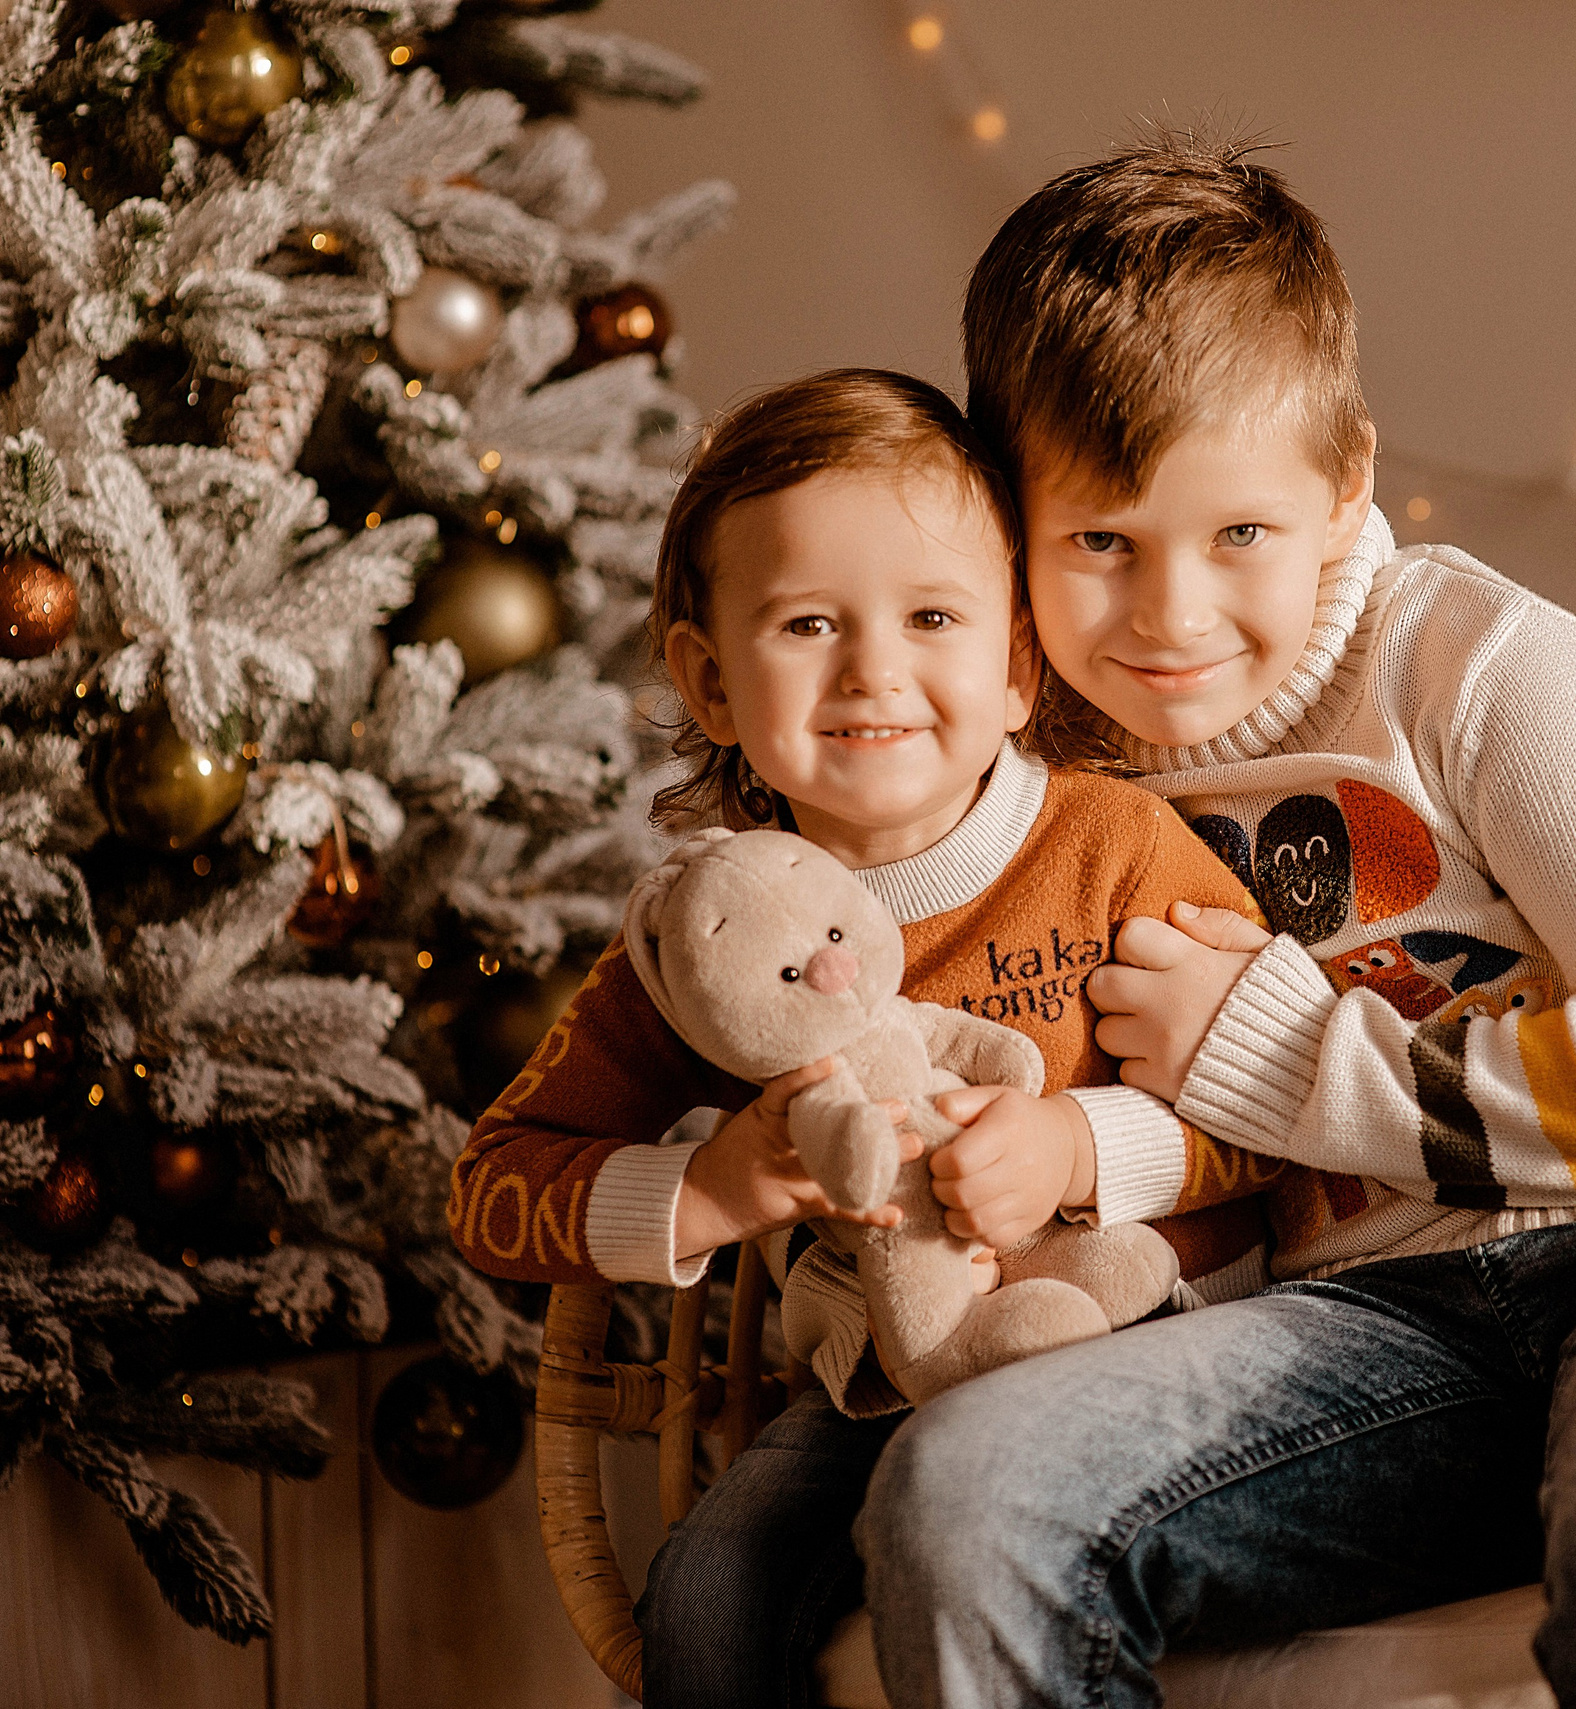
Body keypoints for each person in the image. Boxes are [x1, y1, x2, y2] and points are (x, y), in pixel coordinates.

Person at [851, 135, 1576, 1709]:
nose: (1170, 617)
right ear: (1010, 518)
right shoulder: (1036, 764)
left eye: (1240, 536)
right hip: (1386, 1339)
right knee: (965, 1492)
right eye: (1099, 544)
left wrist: (1293, 1061)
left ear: (1346, 484)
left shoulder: (1471, 666)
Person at [443, 368, 1294, 1709]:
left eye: (934, 615)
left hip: (1154, 1349)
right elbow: (491, 1189)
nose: (873, 670)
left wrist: (1081, 1144)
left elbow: (1278, 1118)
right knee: (711, 1594)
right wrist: (712, 1187)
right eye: (807, 623)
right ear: (711, 680)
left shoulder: (1113, 848)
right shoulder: (710, 937)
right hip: (883, 1392)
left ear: (1016, 661)